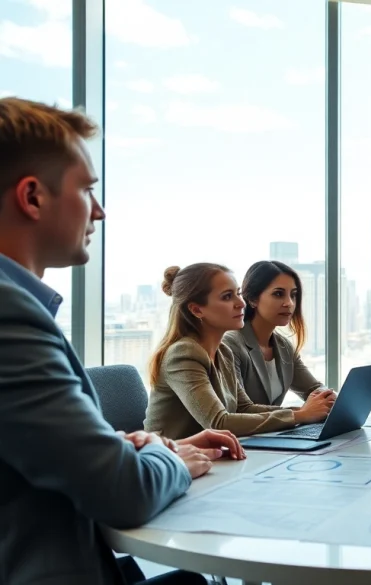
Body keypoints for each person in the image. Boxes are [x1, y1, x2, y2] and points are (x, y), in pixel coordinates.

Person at [0, 97, 243, 585]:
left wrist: (155, 445)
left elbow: (37, 449)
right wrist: (166, 459)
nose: (101, 211)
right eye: (87, 190)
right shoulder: (10, 316)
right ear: (33, 197)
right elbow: (123, 491)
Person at [145, 263, 333, 439]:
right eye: (227, 297)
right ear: (196, 310)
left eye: (238, 293)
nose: (241, 303)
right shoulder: (183, 354)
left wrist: (303, 413)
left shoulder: (223, 351)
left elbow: (244, 407)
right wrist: (300, 416)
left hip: (214, 455)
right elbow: (218, 422)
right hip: (172, 462)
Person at [224, 260, 335, 406]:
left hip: (278, 429)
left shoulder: (284, 347)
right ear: (252, 299)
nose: (289, 303)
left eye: (293, 295)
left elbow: (313, 388)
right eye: (278, 294)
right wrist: (301, 414)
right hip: (240, 430)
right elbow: (239, 409)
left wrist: (331, 397)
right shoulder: (231, 344)